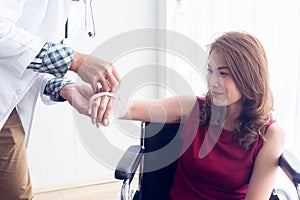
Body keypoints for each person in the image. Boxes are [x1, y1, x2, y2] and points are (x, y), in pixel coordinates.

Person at [101, 31, 284, 199]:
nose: (213, 82)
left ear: (248, 77)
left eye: (223, 73)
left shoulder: (270, 134)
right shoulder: (193, 107)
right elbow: (131, 109)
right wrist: (93, 98)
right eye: (210, 71)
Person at [0, 0, 120, 199]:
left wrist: (66, 88)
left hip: (9, 105)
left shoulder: (76, 6)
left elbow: (36, 59)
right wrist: (76, 61)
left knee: (16, 192)